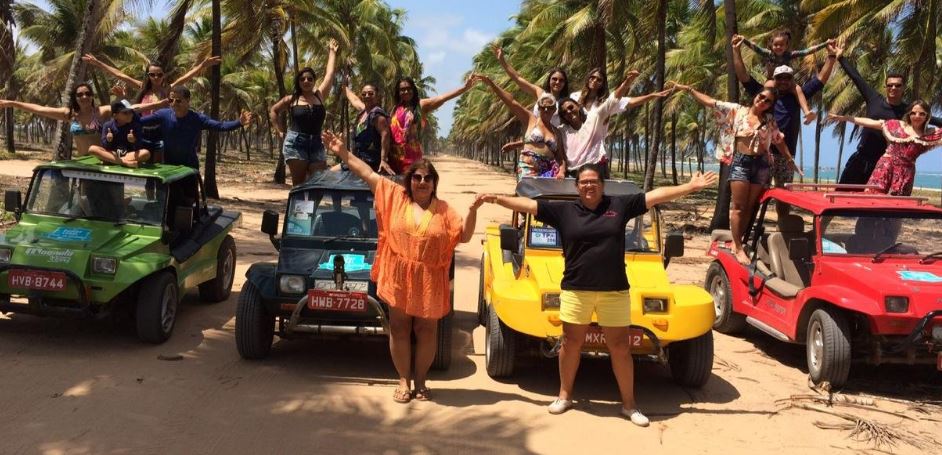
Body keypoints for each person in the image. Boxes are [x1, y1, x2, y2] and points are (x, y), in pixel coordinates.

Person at [477, 164, 718, 426]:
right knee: (570, 344)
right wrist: (496, 198)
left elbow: (656, 196)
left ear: (602, 184)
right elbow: (528, 206)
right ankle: (564, 396)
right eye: (584, 182)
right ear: (577, 186)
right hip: (575, 290)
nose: (589, 185)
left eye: (593, 181)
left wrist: (691, 187)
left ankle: (629, 405)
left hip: (613, 291)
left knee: (621, 348)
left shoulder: (620, 206)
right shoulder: (564, 210)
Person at [321, 130, 480, 403]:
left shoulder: (445, 210)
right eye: (417, 177)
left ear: (434, 183)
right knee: (399, 328)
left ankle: (421, 381)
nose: (422, 182)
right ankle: (403, 380)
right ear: (410, 180)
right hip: (399, 275)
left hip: (429, 278)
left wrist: (473, 210)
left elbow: (463, 236)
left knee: (427, 330)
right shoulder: (395, 196)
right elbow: (368, 174)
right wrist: (343, 152)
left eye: (427, 178)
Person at [674, 82, 799, 264]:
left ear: (771, 105)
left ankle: (735, 242)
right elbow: (711, 102)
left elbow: (778, 140)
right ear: (755, 96)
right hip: (741, 162)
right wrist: (689, 89)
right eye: (761, 97)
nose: (763, 101)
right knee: (738, 207)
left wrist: (789, 159)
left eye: (768, 101)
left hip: (762, 164)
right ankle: (739, 248)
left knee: (749, 206)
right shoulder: (737, 111)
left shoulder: (769, 120)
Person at [731, 36, 841, 188]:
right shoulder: (764, 95)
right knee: (756, 195)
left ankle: (782, 213)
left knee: (783, 197)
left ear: (792, 79)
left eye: (787, 78)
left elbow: (820, 79)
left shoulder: (797, 94)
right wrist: (736, 51)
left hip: (786, 155)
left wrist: (831, 56)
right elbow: (743, 76)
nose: (783, 81)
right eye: (779, 78)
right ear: (773, 78)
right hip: (762, 153)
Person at [82, 54, 222, 161]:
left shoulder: (168, 90)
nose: (156, 77)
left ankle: (161, 197)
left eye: (159, 74)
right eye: (152, 74)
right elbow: (119, 74)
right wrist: (98, 63)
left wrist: (203, 65)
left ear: (163, 76)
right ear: (148, 76)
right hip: (141, 132)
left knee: (158, 165)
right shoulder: (142, 88)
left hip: (161, 132)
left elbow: (187, 77)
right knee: (144, 165)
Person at [835, 62, 942, 185]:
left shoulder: (909, 111)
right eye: (890, 85)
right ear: (886, 87)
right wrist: (840, 57)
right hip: (860, 158)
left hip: (884, 165)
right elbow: (856, 77)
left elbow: (933, 120)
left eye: (897, 85)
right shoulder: (874, 99)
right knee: (842, 196)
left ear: (903, 88)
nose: (893, 88)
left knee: (873, 203)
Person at [558, 71, 672, 177]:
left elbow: (627, 101)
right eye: (592, 77)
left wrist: (651, 95)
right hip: (575, 153)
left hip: (593, 154)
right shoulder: (575, 97)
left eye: (599, 79)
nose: (594, 81)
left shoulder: (603, 105)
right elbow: (561, 111)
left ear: (603, 84)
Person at [0, 84, 163, 158]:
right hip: (82, 161)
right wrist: (12, 103)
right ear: (75, 98)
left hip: (103, 159)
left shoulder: (101, 112)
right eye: (80, 94)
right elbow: (39, 109)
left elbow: (134, 108)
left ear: (92, 96)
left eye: (87, 93)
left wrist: (161, 104)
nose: (84, 96)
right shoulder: (69, 114)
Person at [828, 101, 942, 196]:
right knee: (872, 199)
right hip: (885, 167)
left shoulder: (931, 134)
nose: (917, 116)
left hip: (905, 174)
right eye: (913, 113)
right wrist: (845, 118)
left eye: (922, 114)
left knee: (897, 207)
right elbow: (871, 122)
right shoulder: (896, 125)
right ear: (909, 114)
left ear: (927, 116)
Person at [269, 39, 339, 186]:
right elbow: (274, 110)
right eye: (302, 79)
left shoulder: (319, 96)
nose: (306, 81)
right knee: (299, 185)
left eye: (309, 78)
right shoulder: (291, 99)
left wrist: (332, 52)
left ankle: (311, 210)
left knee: (317, 183)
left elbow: (330, 74)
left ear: (314, 81)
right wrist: (279, 131)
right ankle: (299, 210)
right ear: (298, 82)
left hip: (316, 144)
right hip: (296, 143)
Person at [475, 74, 566, 179]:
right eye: (543, 107)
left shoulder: (556, 132)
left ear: (554, 110)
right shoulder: (530, 120)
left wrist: (561, 171)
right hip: (528, 167)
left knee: (543, 196)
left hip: (548, 171)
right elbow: (511, 102)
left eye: (550, 107)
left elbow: (560, 157)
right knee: (526, 193)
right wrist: (492, 84)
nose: (546, 110)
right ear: (539, 108)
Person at [139, 86, 253, 169]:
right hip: (169, 167)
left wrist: (239, 122)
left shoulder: (197, 119)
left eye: (178, 101)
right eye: (170, 100)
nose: (173, 103)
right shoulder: (163, 115)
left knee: (188, 201)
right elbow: (140, 122)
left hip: (189, 168)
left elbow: (221, 126)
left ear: (188, 101)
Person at [738, 31, 834, 125]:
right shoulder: (768, 53)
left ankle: (806, 111)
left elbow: (807, 51)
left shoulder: (790, 55)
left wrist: (825, 44)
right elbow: (755, 47)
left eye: (781, 45)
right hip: (772, 79)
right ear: (771, 45)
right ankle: (761, 112)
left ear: (786, 46)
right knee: (767, 88)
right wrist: (744, 40)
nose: (778, 47)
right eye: (776, 45)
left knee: (797, 89)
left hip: (787, 82)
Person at [389, 76, 475, 173]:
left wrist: (464, 88)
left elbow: (442, 98)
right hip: (394, 159)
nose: (406, 92)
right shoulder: (395, 109)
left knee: (412, 185)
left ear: (413, 90)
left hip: (412, 159)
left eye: (409, 89)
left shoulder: (420, 105)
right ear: (398, 92)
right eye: (402, 90)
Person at [493, 45, 570, 126]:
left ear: (565, 84)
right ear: (549, 80)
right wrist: (503, 62)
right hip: (535, 134)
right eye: (554, 79)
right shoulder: (540, 94)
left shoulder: (566, 103)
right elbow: (518, 78)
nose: (557, 82)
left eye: (561, 80)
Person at [341, 75, 394, 174]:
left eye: (370, 94)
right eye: (364, 94)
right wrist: (344, 86)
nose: (367, 96)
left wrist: (383, 160)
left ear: (377, 96)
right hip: (359, 160)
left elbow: (385, 135)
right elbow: (354, 100)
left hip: (371, 164)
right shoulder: (364, 112)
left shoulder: (377, 115)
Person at [88, 99, 151, 167]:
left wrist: (133, 141)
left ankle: (113, 161)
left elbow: (138, 147)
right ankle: (123, 162)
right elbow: (105, 147)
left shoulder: (135, 125)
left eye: (131, 112)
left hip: (128, 155)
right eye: (125, 113)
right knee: (92, 149)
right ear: (115, 116)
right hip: (112, 154)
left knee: (146, 153)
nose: (130, 115)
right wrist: (109, 140)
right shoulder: (108, 125)